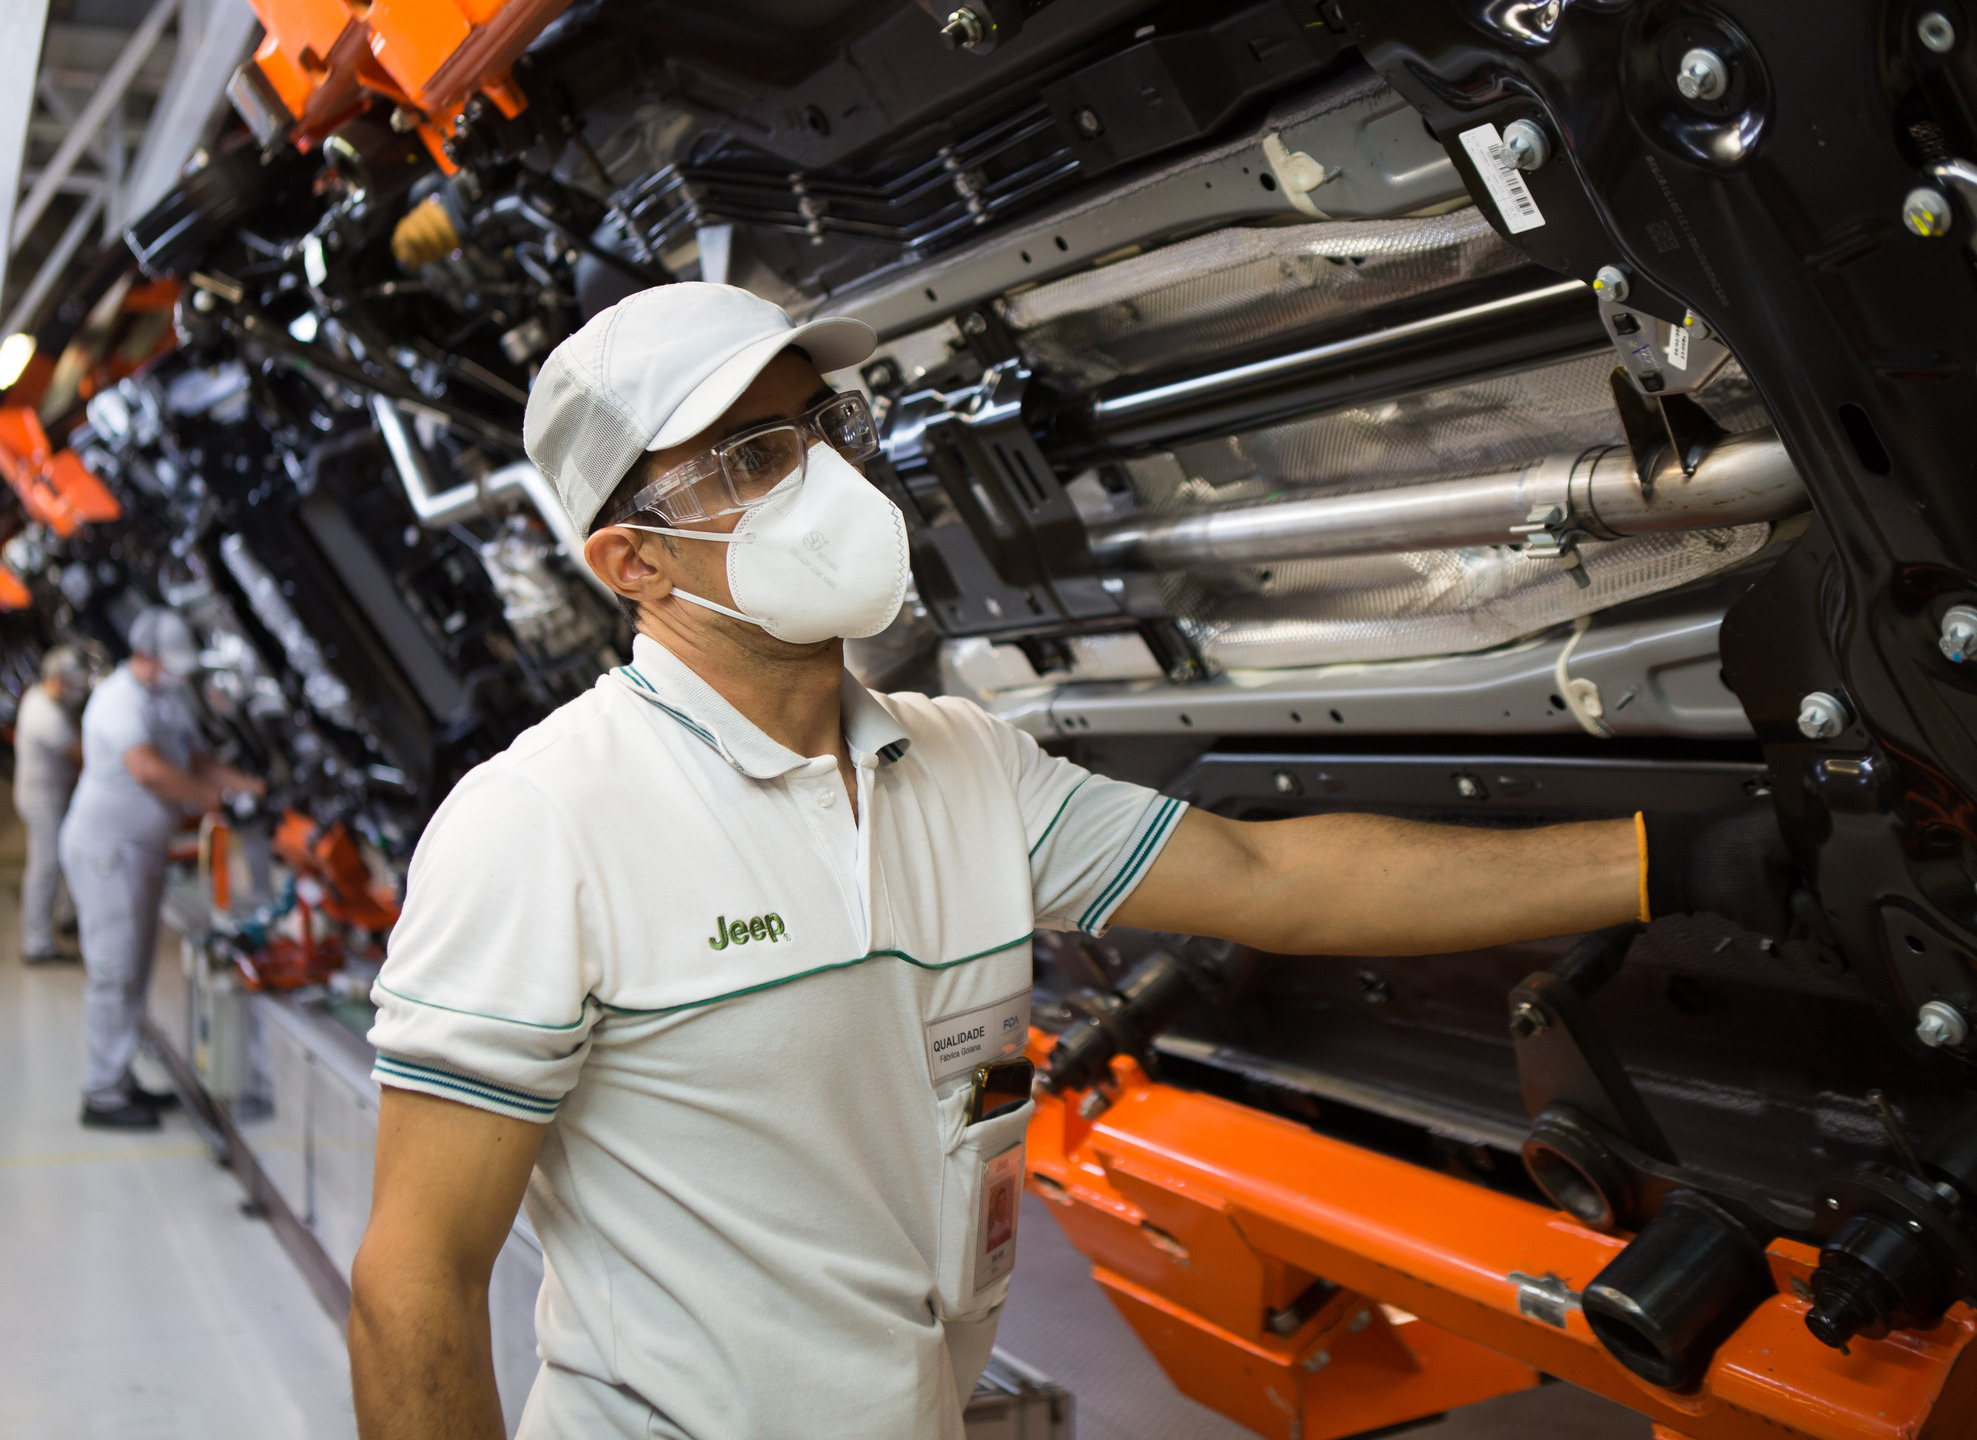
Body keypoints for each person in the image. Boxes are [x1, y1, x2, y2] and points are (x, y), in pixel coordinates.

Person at [348, 284, 1788, 1440]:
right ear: (634, 565)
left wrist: (1674, 855)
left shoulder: (960, 763)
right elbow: (417, 1282)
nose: (826, 479)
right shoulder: (542, 825)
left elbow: (1272, 884)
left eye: (823, 427)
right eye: (752, 461)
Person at [61, 608, 263, 1131]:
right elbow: (149, 769)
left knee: (136, 966)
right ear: (143, 655)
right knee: (112, 970)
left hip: (143, 851)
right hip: (105, 852)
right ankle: (100, 1093)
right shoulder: (117, 700)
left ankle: (120, 1075)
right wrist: (214, 802)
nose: (177, 672)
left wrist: (251, 789)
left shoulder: (169, 698)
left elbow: (195, 763)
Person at [15, 646, 86, 964]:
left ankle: (62, 917)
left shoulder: (46, 702)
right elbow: (79, 751)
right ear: (57, 680)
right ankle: (36, 944)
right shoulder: (42, 712)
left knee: (60, 862)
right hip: (40, 798)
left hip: (50, 795)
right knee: (45, 867)